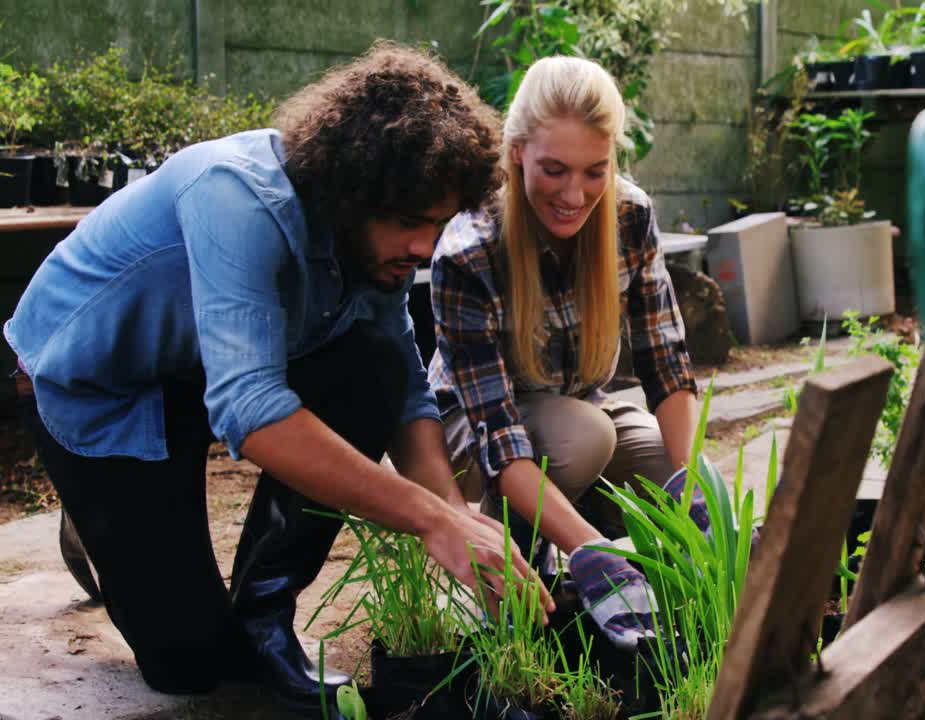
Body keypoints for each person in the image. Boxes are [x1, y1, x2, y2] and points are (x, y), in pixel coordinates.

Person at [5, 44, 550, 714]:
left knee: (370, 369)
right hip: (100, 383)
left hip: (203, 364)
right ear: (352, 192)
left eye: (437, 224)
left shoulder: (374, 247)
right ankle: (93, 514)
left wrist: (459, 520)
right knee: (190, 664)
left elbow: (403, 385)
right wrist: (430, 520)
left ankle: (265, 613)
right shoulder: (238, 197)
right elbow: (251, 407)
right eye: (409, 223)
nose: (424, 247)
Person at [430, 56, 706, 651]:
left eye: (594, 171)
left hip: (575, 410)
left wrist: (694, 495)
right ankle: (514, 590)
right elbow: (503, 442)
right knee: (584, 437)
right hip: (472, 437)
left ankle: (661, 602)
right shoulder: (469, 251)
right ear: (517, 151)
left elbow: (668, 364)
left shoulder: (630, 216)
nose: (574, 194)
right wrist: (593, 551)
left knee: (667, 469)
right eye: (554, 170)